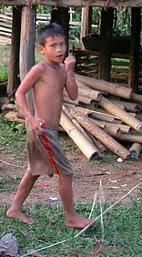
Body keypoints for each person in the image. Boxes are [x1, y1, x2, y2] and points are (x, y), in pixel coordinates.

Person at [6, 23, 92, 228]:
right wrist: (30, 117)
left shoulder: (62, 70)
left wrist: (70, 72)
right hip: (41, 129)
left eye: (62, 44)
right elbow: (19, 93)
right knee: (66, 172)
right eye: (53, 45)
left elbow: (73, 95)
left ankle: (14, 208)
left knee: (34, 170)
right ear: (42, 49)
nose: (60, 49)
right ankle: (71, 217)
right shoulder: (40, 69)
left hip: (50, 129)